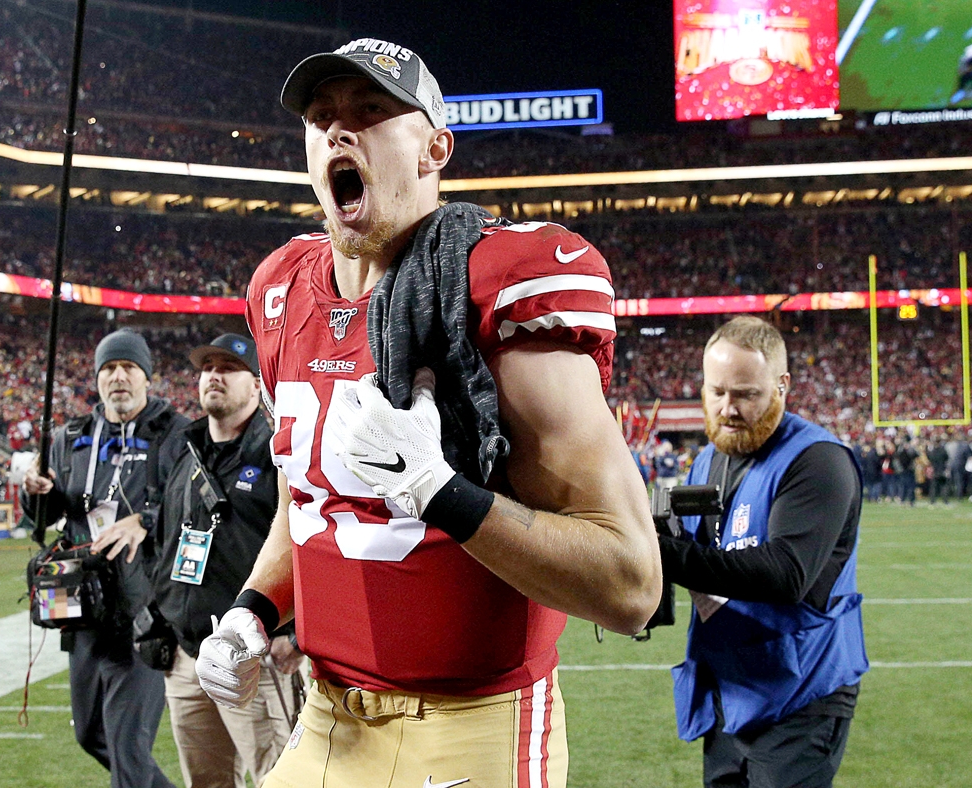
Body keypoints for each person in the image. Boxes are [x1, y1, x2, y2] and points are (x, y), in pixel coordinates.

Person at [195, 40, 661, 788]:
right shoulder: (279, 288)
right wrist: (252, 612)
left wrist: (439, 491)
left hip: (473, 722)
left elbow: (632, 585)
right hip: (327, 717)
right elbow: (306, 501)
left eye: (372, 111)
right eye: (322, 118)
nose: (341, 131)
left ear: (435, 148)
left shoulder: (499, 284)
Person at [657, 317, 867, 788]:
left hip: (802, 688)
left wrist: (658, 552)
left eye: (746, 395)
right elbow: (700, 548)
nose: (728, 408)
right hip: (729, 685)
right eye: (717, 392)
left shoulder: (819, 461)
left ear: (781, 386)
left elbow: (785, 574)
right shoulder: (710, 456)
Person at [23, 329, 189, 788]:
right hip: (81, 606)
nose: (118, 377)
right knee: (90, 733)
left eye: (128, 368)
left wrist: (145, 521)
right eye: (109, 369)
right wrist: (36, 493)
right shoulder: (70, 436)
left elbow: (191, 506)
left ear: (146, 378)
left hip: (144, 607)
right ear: (97, 378)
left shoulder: (174, 433)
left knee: (127, 746)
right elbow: (45, 516)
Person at [151, 334, 301, 788]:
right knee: (205, 783)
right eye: (207, 367)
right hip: (188, 655)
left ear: (257, 384)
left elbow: (307, 543)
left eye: (229, 367)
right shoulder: (184, 449)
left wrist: (296, 631)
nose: (213, 375)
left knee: (278, 778)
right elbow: (166, 542)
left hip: (255, 653)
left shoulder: (279, 450)